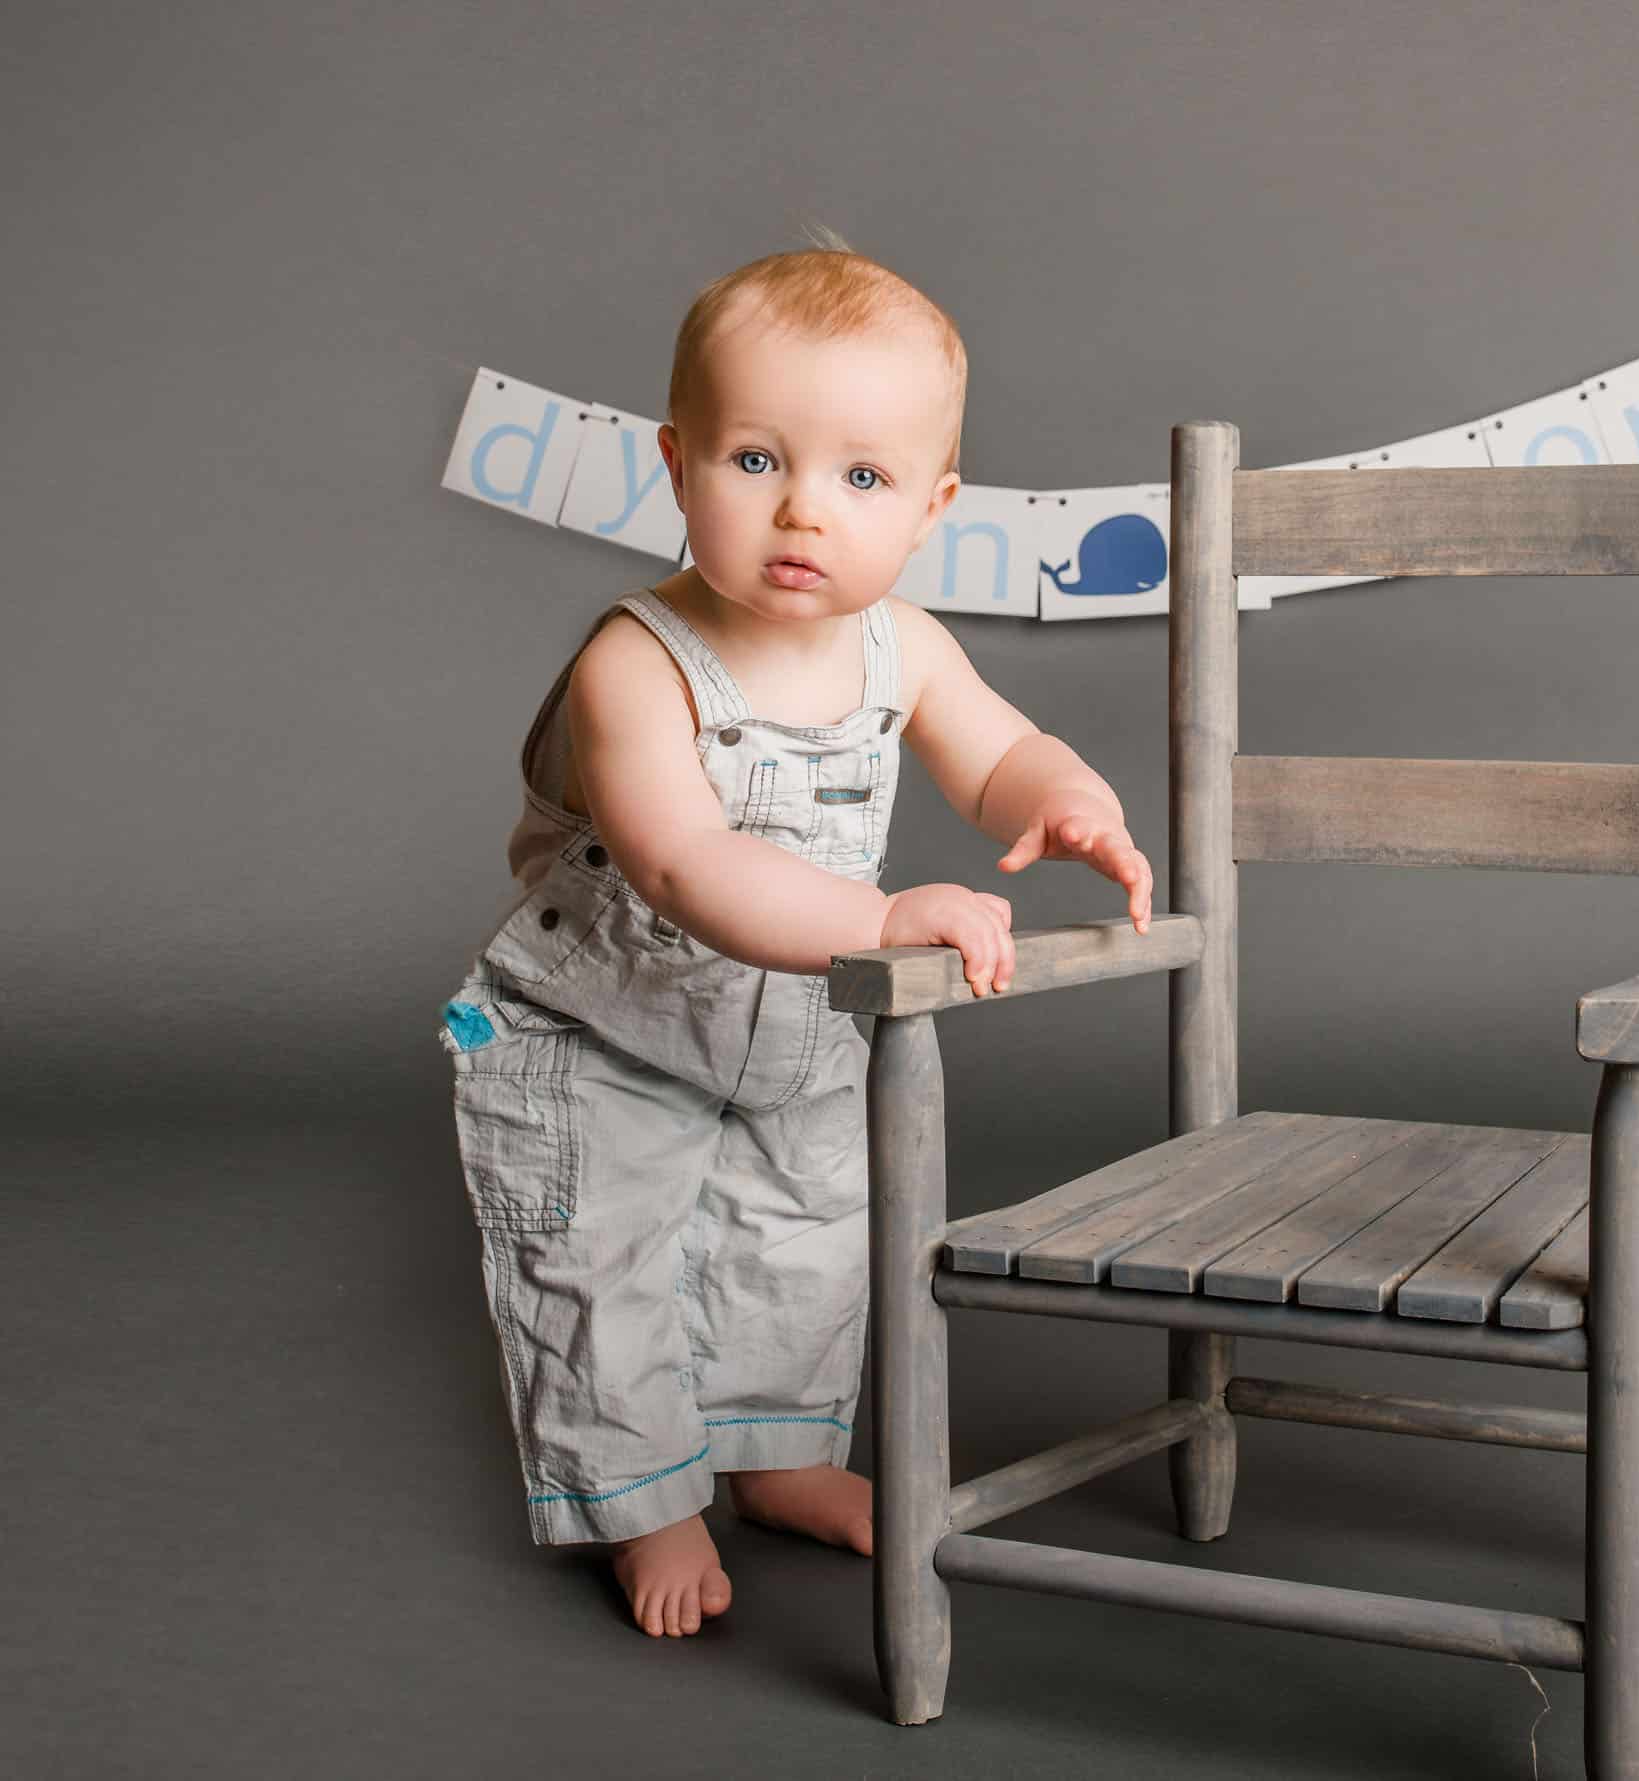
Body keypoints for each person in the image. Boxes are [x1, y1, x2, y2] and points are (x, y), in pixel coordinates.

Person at [434, 231, 1154, 1640]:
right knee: (605, 1260)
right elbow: (688, 862)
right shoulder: (634, 662)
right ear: (677, 460)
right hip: (601, 1033)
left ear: (932, 504)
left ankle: (778, 1460)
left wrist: (1062, 795)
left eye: (862, 477)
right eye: (757, 460)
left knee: (805, 1244)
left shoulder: (907, 644)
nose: (803, 514)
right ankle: (646, 1499)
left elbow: (995, 751)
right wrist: (886, 918)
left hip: (794, 1027)